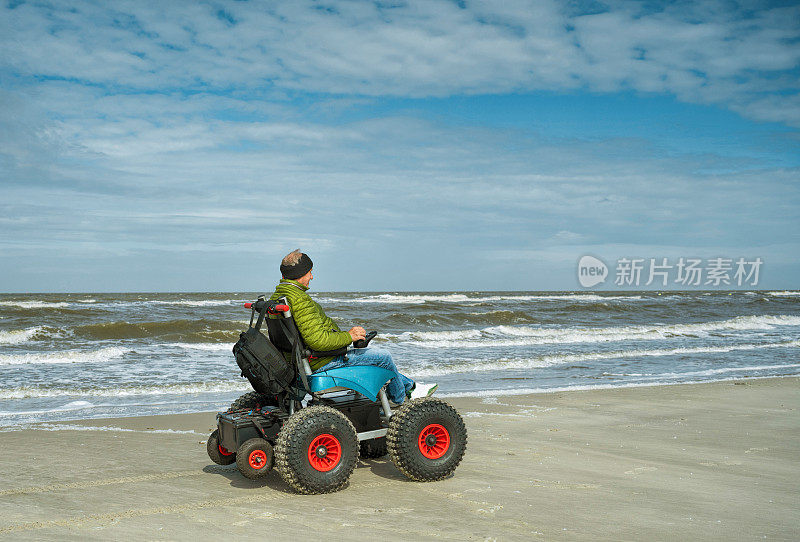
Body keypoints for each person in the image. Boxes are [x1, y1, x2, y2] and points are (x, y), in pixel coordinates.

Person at [269, 249, 436, 405]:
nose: (311, 277)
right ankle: (400, 399)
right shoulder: (300, 300)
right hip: (321, 361)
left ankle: (410, 386)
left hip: (302, 362)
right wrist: (350, 337)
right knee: (383, 357)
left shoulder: (279, 296)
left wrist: (346, 339)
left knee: (373, 358)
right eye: (309, 272)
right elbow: (318, 341)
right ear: (299, 274)